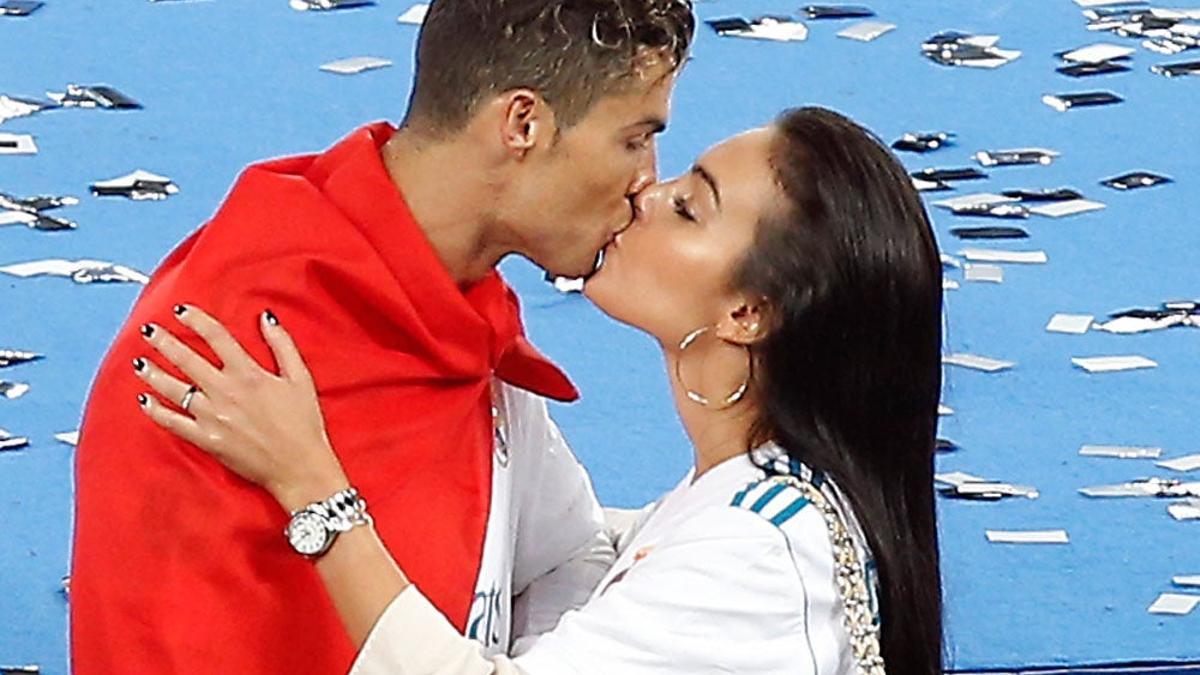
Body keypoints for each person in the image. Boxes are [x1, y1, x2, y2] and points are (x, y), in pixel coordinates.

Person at [133, 107, 946, 674]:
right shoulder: (754, 497)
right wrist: (478, 369)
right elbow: (586, 565)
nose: (645, 194)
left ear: (748, 311)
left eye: (689, 208)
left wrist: (311, 485)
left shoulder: (755, 555)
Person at [69, 0, 695, 672]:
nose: (647, 182)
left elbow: (562, 555)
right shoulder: (223, 369)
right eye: (634, 139)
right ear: (523, 124)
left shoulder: (454, 307)